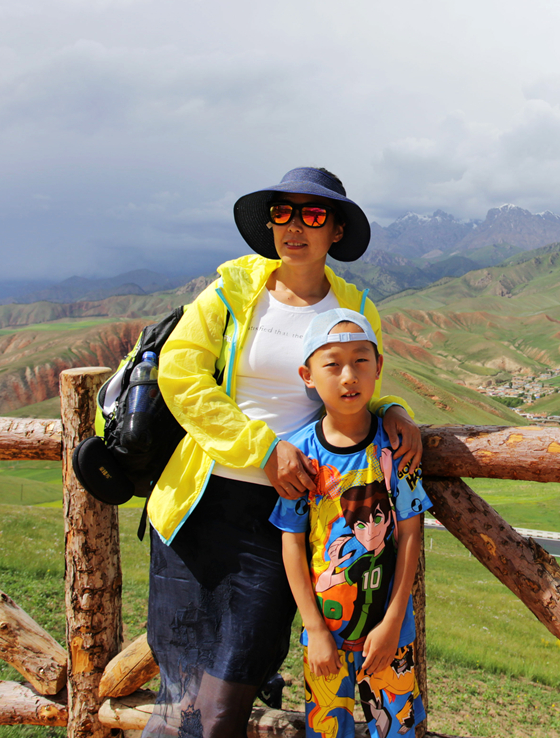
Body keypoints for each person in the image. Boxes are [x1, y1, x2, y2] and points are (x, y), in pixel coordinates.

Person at [146, 168, 423, 738]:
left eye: (313, 215)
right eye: (283, 213)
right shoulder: (231, 291)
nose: (295, 226)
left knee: (232, 686)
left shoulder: (355, 304)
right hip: (199, 506)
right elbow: (180, 376)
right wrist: (264, 447)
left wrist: (394, 409)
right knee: (179, 689)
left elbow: (354, 379)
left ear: (336, 231)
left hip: (286, 519)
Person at [271, 308, 428, 738]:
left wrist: (395, 618)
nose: (348, 376)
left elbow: (411, 532)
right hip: (325, 638)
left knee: (397, 730)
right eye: (333, 364)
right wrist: (315, 629)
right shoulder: (299, 457)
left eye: (361, 361)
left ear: (379, 367)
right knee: (326, 731)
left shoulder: (396, 449)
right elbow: (292, 545)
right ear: (308, 375)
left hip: (390, 632)